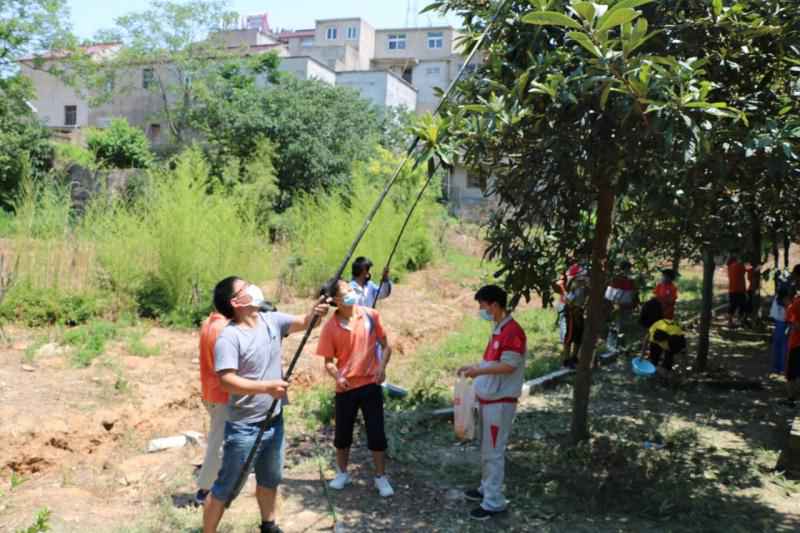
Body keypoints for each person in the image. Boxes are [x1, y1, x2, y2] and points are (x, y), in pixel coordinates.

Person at [203, 277, 330, 533]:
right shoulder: (229, 337)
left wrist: (316, 311)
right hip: (244, 428)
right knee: (226, 487)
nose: (253, 287)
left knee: (270, 479)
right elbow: (226, 381)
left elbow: (305, 323)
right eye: (245, 286)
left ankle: (268, 524)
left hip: (274, 420)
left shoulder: (270, 319)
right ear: (235, 302)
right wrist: (267, 387)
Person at [316, 278, 395, 498]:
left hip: (371, 384)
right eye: (346, 291)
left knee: (376, 433)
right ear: (336, 300)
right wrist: (338, 377)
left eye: (351, 289)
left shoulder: (370, 315)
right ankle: (342, 473)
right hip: (346, 388)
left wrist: (382, 367)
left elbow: (386, 345)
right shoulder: (330, 327)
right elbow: (328, 362)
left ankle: (380, 477)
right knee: (342, 434)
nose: (352, 293)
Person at [458, 285, 526, 521]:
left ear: (494, 305)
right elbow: (491, 362)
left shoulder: (512, 332)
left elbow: (509, 366)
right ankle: (486, 489)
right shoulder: (498, 329)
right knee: (487, 449)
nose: (481, 310)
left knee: (494, 452)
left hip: (501, 402)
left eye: (482, 305)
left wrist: (478, 372)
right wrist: (473, 368)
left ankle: (494, 502)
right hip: (489, 399)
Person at [195, 310, 230, 506]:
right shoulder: (222, 329)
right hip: (221, 394)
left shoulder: (210, 322)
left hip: (211, 392)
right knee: (218, 443)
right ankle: (205, 489)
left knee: (222, 439)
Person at [554, 264, 588, 368]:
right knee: (569, 337)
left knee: (578, 336)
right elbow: (568, 301)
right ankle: (566, 360)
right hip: (571, 314)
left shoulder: (582, 287)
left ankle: (574, 358)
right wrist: (563, 290)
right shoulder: (572, 287)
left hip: (579, 313)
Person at [605, 260, 639, 351]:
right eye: (627, 268)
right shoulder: (617, 279)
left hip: (627, 307)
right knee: (616, 326)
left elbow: (634, 294)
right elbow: (610, 295)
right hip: (618, 307)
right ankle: (613, 345)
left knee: (623, 326)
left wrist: (634, 304)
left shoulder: (631, 281)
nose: (628, 270)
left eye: (629, 269)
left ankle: (620, 345)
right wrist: (614, 305)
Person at [783, 289, 800, 406]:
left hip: (796, 343)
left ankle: (791, 399)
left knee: (791, 373)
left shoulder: (796, 303)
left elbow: (790, 318)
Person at [769, 289, 791, 374]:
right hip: (784, 324)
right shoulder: (786, 301)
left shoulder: (776, 300)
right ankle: (783, 368)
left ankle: (776, 367)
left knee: (777, 347)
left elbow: (772, 315)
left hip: (777, 324)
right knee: (784, 347)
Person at [726, 254, 748, 327]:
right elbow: (747, 270)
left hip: (732, 289)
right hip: (740, 289)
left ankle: (730, 322)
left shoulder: (729, 266)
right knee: (742, 305)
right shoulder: (739, 265)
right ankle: (740, 321)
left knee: (732, 306)